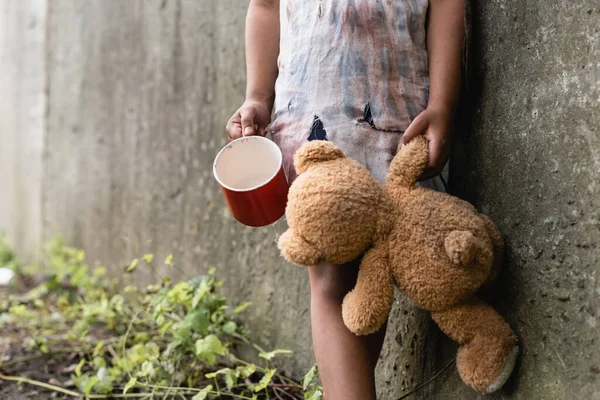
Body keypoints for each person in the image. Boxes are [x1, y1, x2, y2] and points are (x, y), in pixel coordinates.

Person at [226, 1, 465, 399]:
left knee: (379, 262)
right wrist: (257, 98)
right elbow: (266, 7)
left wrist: (443, 104)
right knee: (331, 274)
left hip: (396, 113)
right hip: (314, 109)